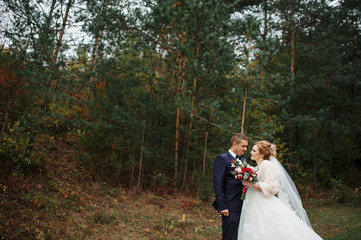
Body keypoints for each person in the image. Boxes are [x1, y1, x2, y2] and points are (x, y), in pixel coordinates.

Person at [238, 140, 323, 240]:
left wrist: (251, 184)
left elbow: (272, 188)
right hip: (254, 203)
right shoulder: (257, 167)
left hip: (264, 203)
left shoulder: (267, 165)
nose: (251, 152)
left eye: (254, 151)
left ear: (261, 154)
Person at [213, 133, 249, 240]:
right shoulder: (222, 159)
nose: (245, 149)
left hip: (241, 204)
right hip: (229, 205)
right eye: (243, 146)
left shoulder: (242, 161)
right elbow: (218, 183)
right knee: (230, 236)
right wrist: (222, 206)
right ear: (234, 144)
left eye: (246, 146)